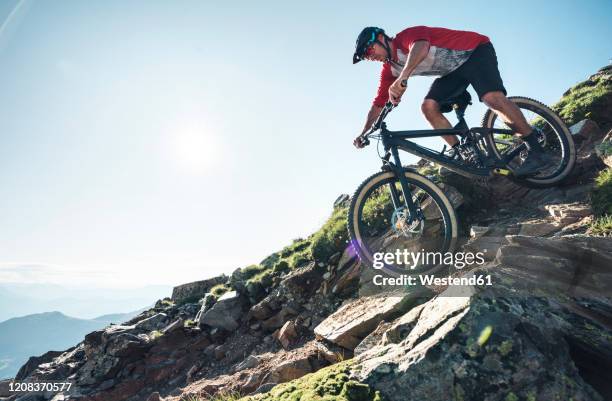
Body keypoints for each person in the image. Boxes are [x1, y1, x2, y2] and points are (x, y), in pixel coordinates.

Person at [352, 26, 550, 176]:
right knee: (428, 107)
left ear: (380, 38)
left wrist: (403, 77)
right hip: (452, 72)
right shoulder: (389, 69)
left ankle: (535, 147)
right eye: (367, 58)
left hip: (475, 52)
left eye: (370, 51)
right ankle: (464, 152)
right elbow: (378, 104)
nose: (372, 58)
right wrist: (364, 132)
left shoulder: (405, 37)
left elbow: (420, 47)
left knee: (491, 98)